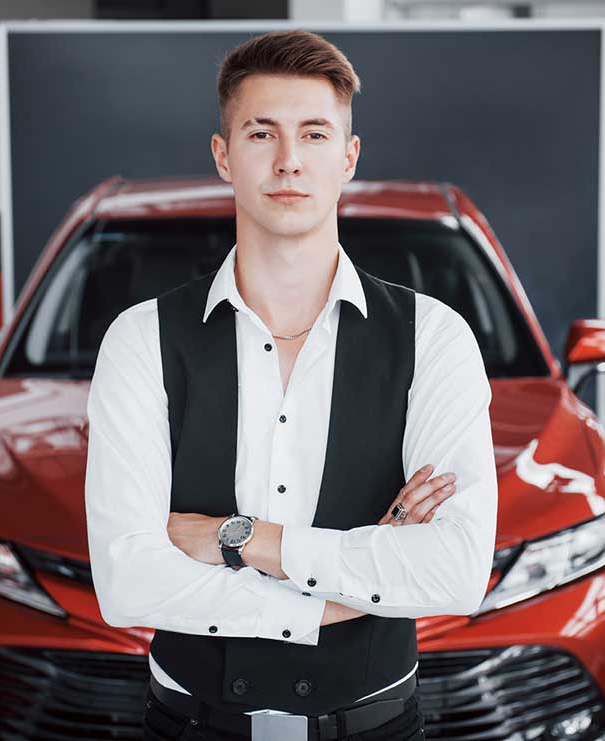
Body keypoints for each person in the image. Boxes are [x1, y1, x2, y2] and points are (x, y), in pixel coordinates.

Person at [84, 29, 497, 741]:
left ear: (348, 157)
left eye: (313, 133)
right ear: (223, 156)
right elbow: (127, 583)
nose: (288, 160)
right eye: (260, 133)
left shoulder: (433, 338)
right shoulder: (140, 339)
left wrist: (238, 538)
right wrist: (349, 589)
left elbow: (455, 572)